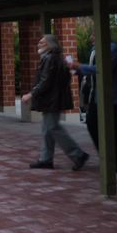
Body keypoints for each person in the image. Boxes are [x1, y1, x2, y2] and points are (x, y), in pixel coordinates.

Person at [22, 34, 89, 171]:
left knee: (53, 127)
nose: (39, 44)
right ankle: (46, 159)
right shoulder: (56, 58)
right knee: (47, 128)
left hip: (52, 99)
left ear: (50, 45)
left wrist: (31, 94)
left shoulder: (50, 59)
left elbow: (45, 81)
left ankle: (78, 155)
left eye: (42, 42)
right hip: (53, 99)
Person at [73, 38, 117, 172]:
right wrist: (77, 69)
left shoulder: (111, 48)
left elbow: (102, 68)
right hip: (96, 95)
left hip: (111, 96)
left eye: (93, 34)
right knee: (92, 123)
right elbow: (93, 70)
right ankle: (106, 156)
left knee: (115, 129)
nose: (91, 37)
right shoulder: (95, 49)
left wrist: (80, 66)